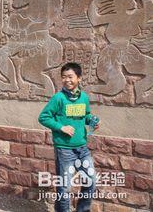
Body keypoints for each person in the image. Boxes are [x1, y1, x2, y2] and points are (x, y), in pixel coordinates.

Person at [38, 62, 99, 212]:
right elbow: (43, 117)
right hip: (64, 150)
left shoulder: (84, 97)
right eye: (64, 77)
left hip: (82, 149)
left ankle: (82, 210)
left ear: (79, 78)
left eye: (70, 77)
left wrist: (91, 121)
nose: (67, 80)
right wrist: (61, 127)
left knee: (90, 181)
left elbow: (85, 115)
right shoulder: (58, 98)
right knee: (65, 188)